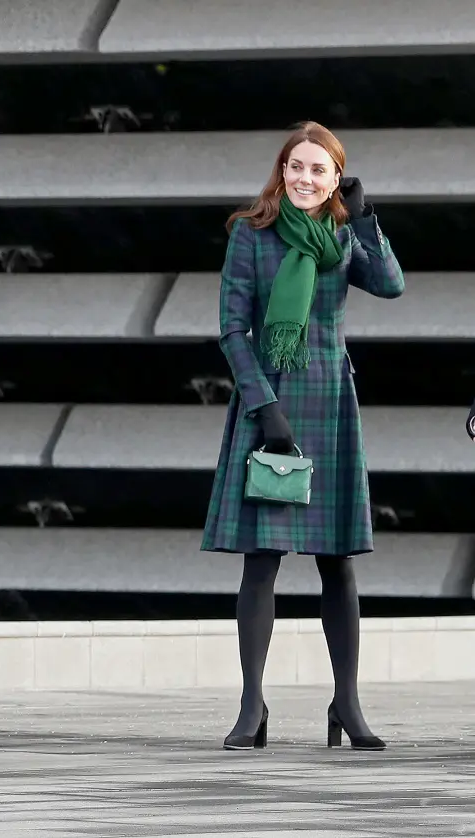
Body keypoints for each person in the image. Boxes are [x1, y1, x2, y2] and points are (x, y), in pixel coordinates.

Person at [200, 122, 404, 751]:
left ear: (336, 176)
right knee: (261, 561)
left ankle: (347, 704)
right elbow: (232, 329)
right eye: (297, 167)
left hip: (331, 402)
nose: (306, 178)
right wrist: (263, 405)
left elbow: (391, 283)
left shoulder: (343, 237)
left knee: (337, 562)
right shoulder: (251, 234)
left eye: (319, 169)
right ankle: (251, 706)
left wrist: (366, 220)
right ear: (282, 171)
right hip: (269, 401)